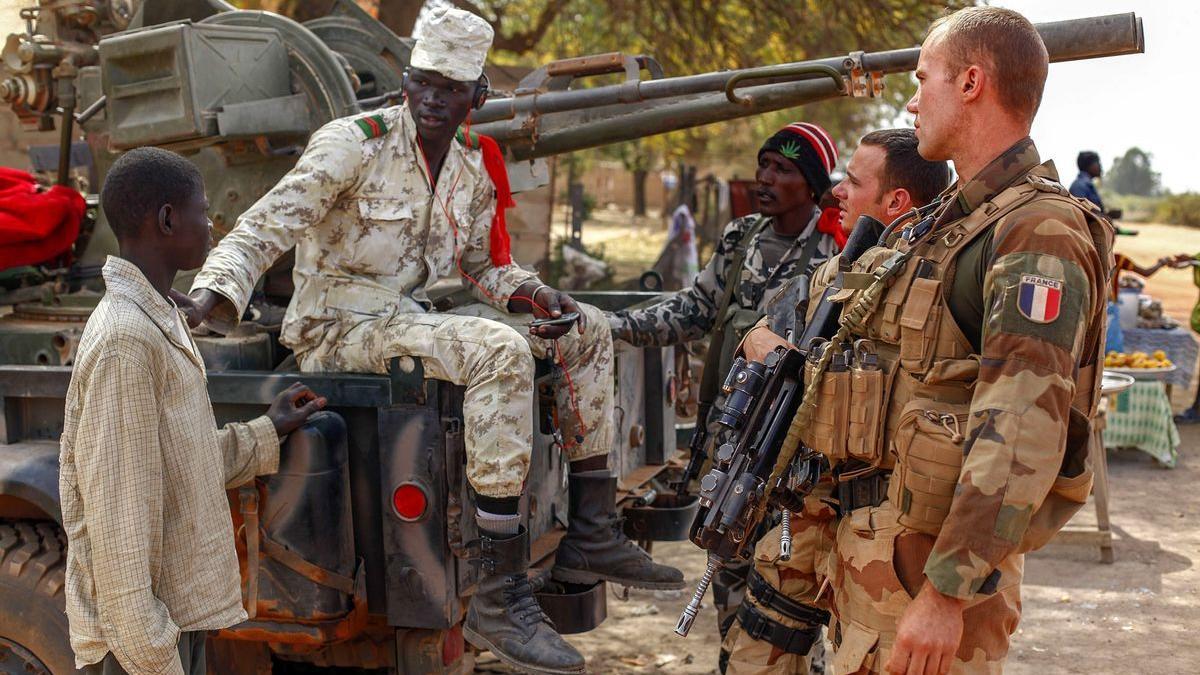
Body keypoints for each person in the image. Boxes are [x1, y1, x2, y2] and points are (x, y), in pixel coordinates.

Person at [178, 8, 680, 673]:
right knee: (496, 350)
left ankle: (591, 529)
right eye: (423, 82)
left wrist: (535, 296)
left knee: (585, 327)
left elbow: (479, 265)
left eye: (451, 87)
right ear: (407, 82)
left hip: (408, 314)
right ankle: (502, 593)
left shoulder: (472, 163)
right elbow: (264, 224)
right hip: (338, 324)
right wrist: (218, 287)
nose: (434, 98)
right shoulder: (354, 142)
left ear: (477, 97)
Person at [741, 7, 1113, 673]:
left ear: (971, 82)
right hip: (884, 560)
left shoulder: (1038, 231)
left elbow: (1022, 427)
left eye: (924, 79)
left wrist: (945, 593)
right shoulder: (953, 221)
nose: (913, 101)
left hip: (933, 579)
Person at [60, 147, 326, 675]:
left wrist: (266, 431)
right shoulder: (126, 342)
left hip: (168, 624)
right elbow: (119, 523)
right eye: (202, 212)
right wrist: (155, 657)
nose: (211, 224)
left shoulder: (160, 317)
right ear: (166, 220)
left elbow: (180, 464)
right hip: (141, 645)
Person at [720, 129, 951, 675]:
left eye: (854, 181)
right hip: (804, 516)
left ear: (896, 202)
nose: (837, 193)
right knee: (755, 655)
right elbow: (768, 332)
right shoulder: (834, 274)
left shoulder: (941, 287)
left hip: (887, 537)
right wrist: (760, 343)